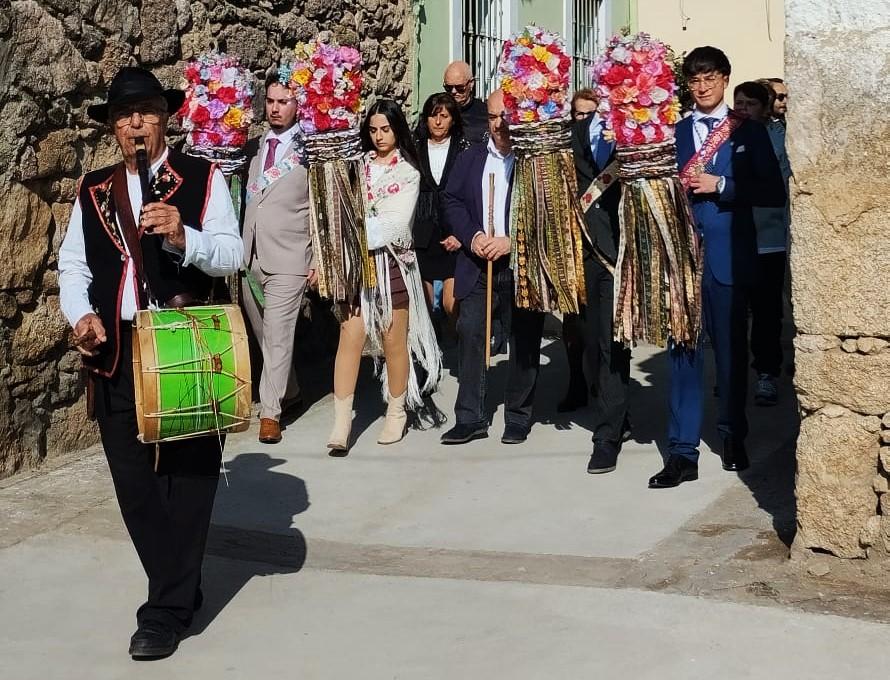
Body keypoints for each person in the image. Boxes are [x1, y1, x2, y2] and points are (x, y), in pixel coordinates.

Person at [57, 67, 242, 658]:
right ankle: (181, 589)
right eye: (124, 114)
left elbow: (233, 253)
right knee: (136, 487)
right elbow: (74, 268)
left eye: (146, 110)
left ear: (166, 117)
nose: (135, 122)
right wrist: (80, 316)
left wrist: (186, 237)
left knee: (189, 479)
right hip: (116, 350)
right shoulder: (93, 190)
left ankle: (162, 611)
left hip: (185, 342)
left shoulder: (202, 176)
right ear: (114, 127)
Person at [649, 47, 785, 489]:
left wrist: (721, 184)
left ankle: (732, 436)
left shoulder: (749, 131)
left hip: (730, 254)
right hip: (682, 255)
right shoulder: (674, 131)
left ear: (725, 79)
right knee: (683, 352)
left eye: (710, 79)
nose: (702, 87)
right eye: (694, 81)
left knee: (730, 353)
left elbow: (771, 191)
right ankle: (681, 452)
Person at [326, 99, 442, 453]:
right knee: (351, 334)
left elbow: (394, 225)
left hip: (392, 263)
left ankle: (397, 411)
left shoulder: (408, 172)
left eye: (386, 129)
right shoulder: (355, 167)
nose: (379, 136)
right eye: (373, 130)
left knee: (394, 339)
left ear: (397, 130)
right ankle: (342, 421)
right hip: (357, 266)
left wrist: (353, 226)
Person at [439, 89, 545, 446]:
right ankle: (470, 417)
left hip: (519, 264)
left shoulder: (534, 161)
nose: (500, 124)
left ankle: (518, 416)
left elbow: (549, 217)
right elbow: (451, 199)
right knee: (470, 332)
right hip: (478, 261)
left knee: (524, 338)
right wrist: (473, 236)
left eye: (507, 116)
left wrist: (512, 241)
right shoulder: (472, 157)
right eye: (494, 117)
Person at [241, 72, 315, 444]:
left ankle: (270, 412)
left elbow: (320, 208)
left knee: (278, 332)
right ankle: (292, 391)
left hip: (290, 256)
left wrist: (317, 257)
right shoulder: (252, 147)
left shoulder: (311, 149)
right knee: (264, 333)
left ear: (298, 104)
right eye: (270, 101)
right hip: (250, 256)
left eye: (283, 101)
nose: (275, 108)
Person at [570, 90, 631, 474]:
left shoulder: (628, 133)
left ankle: (606, 436)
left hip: (618, 253)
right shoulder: (571, 132)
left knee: (612, 344)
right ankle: (618, 412)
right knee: (590, 340)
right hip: (581, 252)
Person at [734, 80, 793, 405]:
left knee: (767, 313)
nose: (743, 110)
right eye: (739, 103)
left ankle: (766, 373)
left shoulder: (778, 137)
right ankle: (734, 374)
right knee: (732, 313)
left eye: (750, 104)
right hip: (733, 237)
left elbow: (781, 185)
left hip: (769, 237)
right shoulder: (725, 135)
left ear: (765, 107)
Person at [413, 92, 470, 320]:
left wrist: (461, 233)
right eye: (432, 116)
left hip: (453, 234)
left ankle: (453, 346)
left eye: (444, 116)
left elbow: (470, 194)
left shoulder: (465, 149)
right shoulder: (413, 149)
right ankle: (431, 351)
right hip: (423, 233)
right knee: (423, 307)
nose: (438, 122)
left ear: (453, 119)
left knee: (451, 305)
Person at [441, 60, 488, 144]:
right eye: (448, 87)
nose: (453, 91)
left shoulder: (485, 113)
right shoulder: (436, 110)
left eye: (460, 87)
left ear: (471, 84)